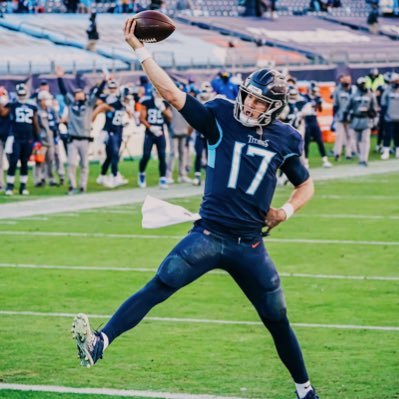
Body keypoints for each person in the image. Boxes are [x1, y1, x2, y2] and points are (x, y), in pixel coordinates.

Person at [71, 17, 319, 399]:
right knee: (158, 285)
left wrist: (285, 211)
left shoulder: (287, 138)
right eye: (249, 95)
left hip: (250, 245)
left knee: (277, 320)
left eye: (260, 101)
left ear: (275, 107)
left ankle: (305, 391)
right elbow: (172, 94)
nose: (250, 104)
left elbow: (305, 183)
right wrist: (141, 51)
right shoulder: (220, 115)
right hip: (207, 234)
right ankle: (101, 341)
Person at [56, 65, 105, 194]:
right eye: (77, 93)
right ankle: (72, 186)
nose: (79, 94)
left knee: (84, 165)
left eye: (80, 92)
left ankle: (83, 186)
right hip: (73, 139)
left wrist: (104, 81)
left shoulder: (89, 104)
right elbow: (63, 91)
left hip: (84, 139)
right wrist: (60, 77)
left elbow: (98, 93)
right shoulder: (71, 104)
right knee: (71, 164)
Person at [0, 83, 39, 196]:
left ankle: (23, 186)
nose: (22, 96)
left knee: (25, 162)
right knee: (13, 162)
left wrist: (38, 138)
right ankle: (10, 186)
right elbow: (3, 113)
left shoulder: (32, 106)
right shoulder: (13, 105)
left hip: (28, 138)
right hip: (15, 137)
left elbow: (35, 122)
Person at [137, 89, 172, 189]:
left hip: (160, 132)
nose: (158, 93)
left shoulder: (164, 103)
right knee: (146, 155)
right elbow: (142, 118)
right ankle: (141, 173)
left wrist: (163, 109)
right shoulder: (147, 102)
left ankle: (163, 178)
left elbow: (170, 117)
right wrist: (150, 127)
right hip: (150, 132)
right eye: (156, 91)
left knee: (162, 155)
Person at [344, 77, 378, 166]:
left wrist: (370, 113)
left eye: (364, 83)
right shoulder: (353, 95)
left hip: (366, 119)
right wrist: (347, 117)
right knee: (356, 141)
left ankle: (364, 159)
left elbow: (374, 109)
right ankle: (360, 157)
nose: (363, 86)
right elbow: (348, 108)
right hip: (356, 119)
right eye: (362, 84)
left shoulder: (371, 95)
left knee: (365, 140)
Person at [332, 74, 356, 161]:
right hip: (340, 116)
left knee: (350, 135)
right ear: (342, 81)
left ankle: (348, 153)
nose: (347, 82)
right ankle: (337, 153)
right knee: (339, 135)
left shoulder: (353, 90)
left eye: (348, 80)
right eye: (345, 80)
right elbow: (335, 104)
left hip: (350, 116)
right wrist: (334, 117)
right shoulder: (337, 90)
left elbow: (355, 103)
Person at [380, 73, 399, 160]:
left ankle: (398, 151)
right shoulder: (387, 90)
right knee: (387, 135)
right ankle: (386, 151)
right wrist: (384, 115)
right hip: (389, 117)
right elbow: (383, 103)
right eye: (395, 81)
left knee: (397, 135)